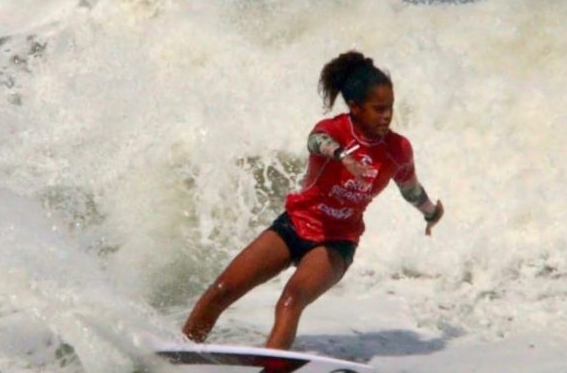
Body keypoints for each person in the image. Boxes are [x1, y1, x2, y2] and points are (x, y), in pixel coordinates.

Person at [182, 51, 444, 350]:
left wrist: (431, 213)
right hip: (293, 227)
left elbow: (410, 189)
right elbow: (315, 141)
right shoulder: (334, 130)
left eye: (390, 109)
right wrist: (342, 156)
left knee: (290, 300)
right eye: (378, 109)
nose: (386, 116)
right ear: (356, 108)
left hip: (336, 242)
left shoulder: (397, 149)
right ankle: (180, 354)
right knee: (222, 289)